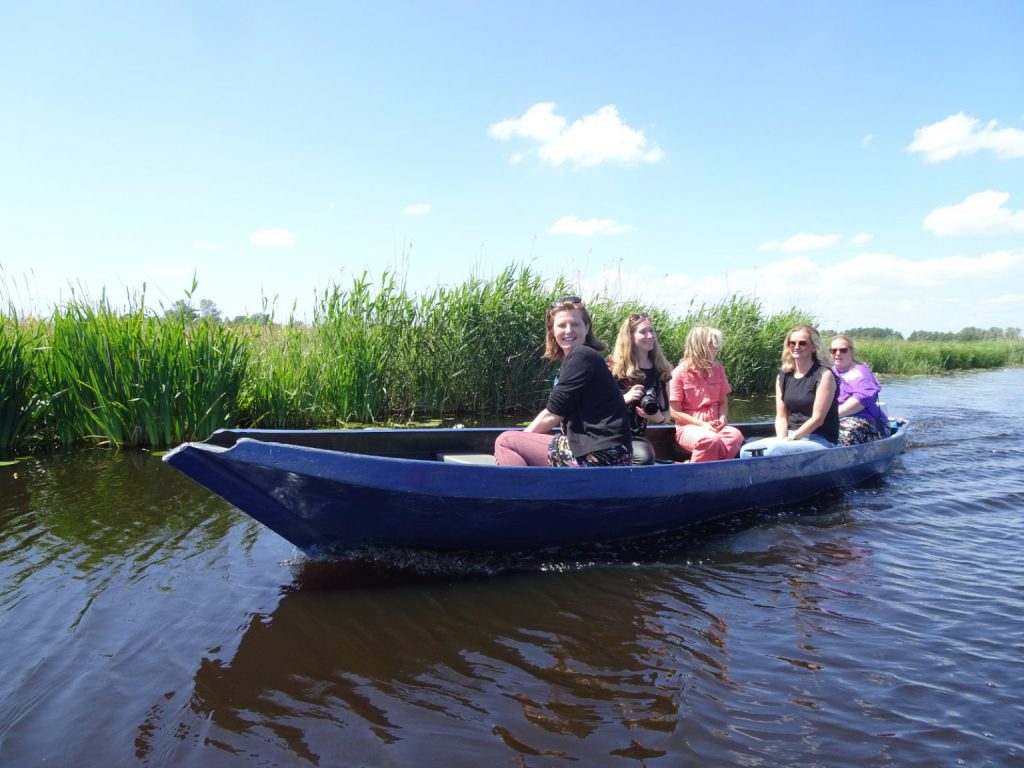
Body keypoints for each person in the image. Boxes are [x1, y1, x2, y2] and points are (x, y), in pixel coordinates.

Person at [494, 297, 632, 467]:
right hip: (612, 454)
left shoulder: (582, 355)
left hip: (601, 455)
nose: (568, 330)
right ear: (552, 330)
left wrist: (522, 438)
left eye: (575, 324)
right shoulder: (585, 358)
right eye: (561, 325)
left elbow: (553, 414)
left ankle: (521, 485)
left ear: (587, 327)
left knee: (506, 441)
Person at [740, 325, 839, 457]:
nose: (796, 346)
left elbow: (818, 419)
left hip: (819, 438)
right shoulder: (783, 376)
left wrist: (792, 438)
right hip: (791, 437)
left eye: (802, 343)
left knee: (773, 451)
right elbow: (781, 416)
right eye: (792, 343)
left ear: (814, 347)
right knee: (746, 451)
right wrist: (782, 439)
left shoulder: (824, 375)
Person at [669, 326, 744, 462]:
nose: (717, 348)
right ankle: (696, 472)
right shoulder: (678, 373)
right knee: (709, 440)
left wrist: (722, 419)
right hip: (688, 428)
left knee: (735, 436)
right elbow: (674, 412)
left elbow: (723, 402)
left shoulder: (718, 369)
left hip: (715, 426)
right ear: (700, 346)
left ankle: (703, 466)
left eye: (717, 343)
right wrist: (703, 425)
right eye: (713, 344)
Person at [609, 313, 672, 465]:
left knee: (644, 457)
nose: (650, 336)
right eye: (643, 332)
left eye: (651, 330)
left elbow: (666, 416)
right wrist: (623, 399)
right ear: (630, 337)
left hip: (635, 437)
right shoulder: (612, 367)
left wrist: (656, 417)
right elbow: (596, 406)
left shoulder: (660, 370)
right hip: (608, 433)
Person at [830, 334, 890, 445]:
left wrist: (830, 416)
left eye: (843, 350)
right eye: (833, 350)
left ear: (851, 352)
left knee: (842, 433)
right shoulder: (829, 373)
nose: (837, 353)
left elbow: (861, 399)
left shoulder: (861, 373)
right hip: (837, 419)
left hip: (869, 422)